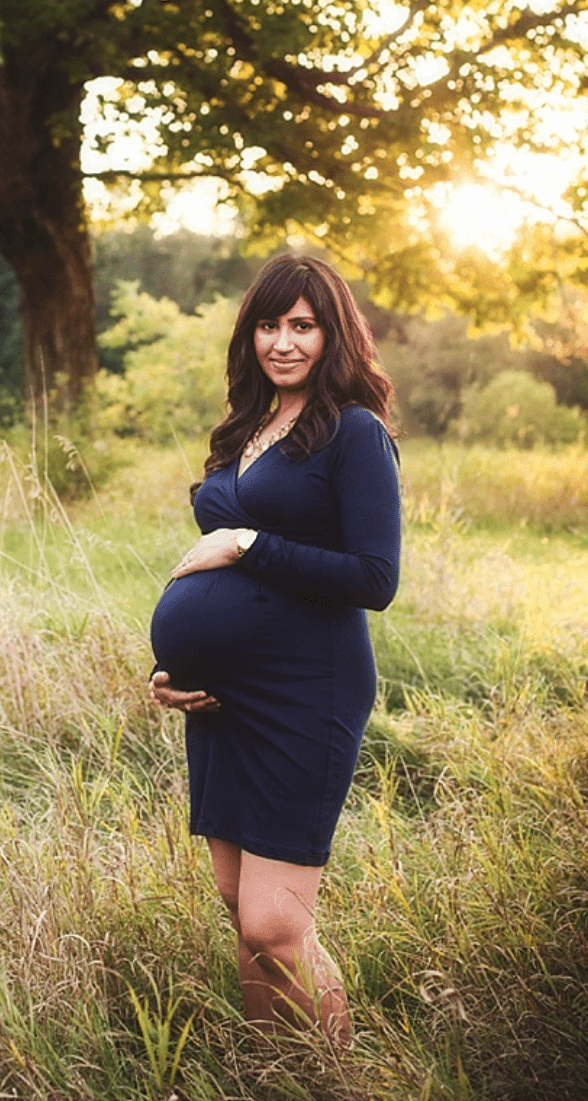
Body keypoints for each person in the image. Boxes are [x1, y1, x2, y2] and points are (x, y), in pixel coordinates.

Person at [148, 253, 401, 1046]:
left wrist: (247, 543)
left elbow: (374, 577)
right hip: (222, 699)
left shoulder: (353, 433)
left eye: (302, 325)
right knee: (239, 907)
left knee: (274, 922)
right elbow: (212, 569)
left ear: (333, 335)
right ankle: (276, 1071)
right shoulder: (245, 430)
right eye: (267, 324)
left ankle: (339, 1079)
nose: (282, 342)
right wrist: (173, 668)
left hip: (304, 689)